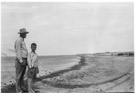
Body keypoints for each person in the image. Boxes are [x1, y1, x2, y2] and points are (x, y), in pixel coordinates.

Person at [14, 28, 29, 93]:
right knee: (18, 76)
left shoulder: (22, 40)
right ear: (22, 34)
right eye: (25, 34)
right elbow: (18, 51)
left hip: (24, 59)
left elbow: (23, 51)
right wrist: (21, 60)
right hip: (21, 59)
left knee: (22, 75)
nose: (26, 35)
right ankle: (18, 90)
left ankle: (22, 88)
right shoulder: (19, 40)